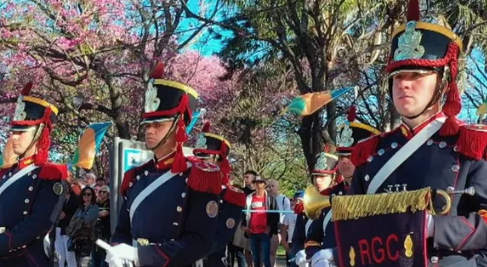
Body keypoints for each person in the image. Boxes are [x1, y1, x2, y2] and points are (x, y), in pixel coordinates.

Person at [311, 0, 487, 266]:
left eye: (417, 75)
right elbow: (355, 225)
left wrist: (434, 228)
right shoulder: (371, 154)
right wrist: (336, 253)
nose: (404, 84)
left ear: (443, 81)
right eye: (397, 77)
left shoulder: (471, 144)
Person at [108, 62, 222, 267]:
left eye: (158, 125)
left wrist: (141, 256)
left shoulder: (198, 176)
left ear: (178, 125)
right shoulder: (135, 177)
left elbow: (199, 242)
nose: (150, 131)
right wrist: (117, 249)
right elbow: (123, 229)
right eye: (148, 125)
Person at [0, 82, 68, 267]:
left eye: (21, 132)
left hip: (25, 259)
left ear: (39, 133)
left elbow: (38, 224)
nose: (13, 137)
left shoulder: (50, 175)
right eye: (13, 131)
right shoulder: (6, 173)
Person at [302, 115, 380, 266]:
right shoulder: (327, 196)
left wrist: (337, 255)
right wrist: (314, 256)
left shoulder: (376, 194)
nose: (344, 161)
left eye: (350, 155)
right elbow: (313, 238)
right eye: (341, 156)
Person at [192, 122, 246, 267]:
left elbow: (219, 238)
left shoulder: (231, 196)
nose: (198, 163)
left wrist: (181, 251)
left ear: (218, 161)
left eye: (205, 160)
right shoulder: (186, 189)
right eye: (198, 159)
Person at [293, 147, 341, 267]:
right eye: (315, 176)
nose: (318, 181)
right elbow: (310, 237)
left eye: (323, 177)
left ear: (334, 177)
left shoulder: (342, 198)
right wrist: (308, 253)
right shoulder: (308, 204)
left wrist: (334, 254)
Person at [241, 176, 279, 267]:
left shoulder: (270, 198)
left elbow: (275, 214)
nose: (258, 185)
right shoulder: (249, 198)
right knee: (255, 258)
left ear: (265, 185)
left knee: (266, 257)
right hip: (252, 232)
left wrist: (269, 228)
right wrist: (243, 226)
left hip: (264, 232)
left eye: (261, 183)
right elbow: (244, 213)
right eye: (256, 183)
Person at [66, 187, 99, 267]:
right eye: (84, 194)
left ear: (92, 196)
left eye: (89, 194)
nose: (86, 196)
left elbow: (85, 221)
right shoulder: (80, 208)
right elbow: (72, 221)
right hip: (76, 238)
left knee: (84, 262)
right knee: (77, 262)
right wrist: (78, 221)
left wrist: (78, 221)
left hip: (87, 238)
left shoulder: (94, 207)